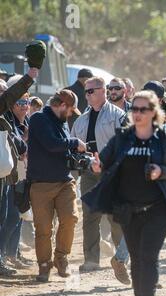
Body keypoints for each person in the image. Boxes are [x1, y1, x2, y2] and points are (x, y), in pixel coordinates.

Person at [83, 90, 166, 296]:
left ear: (153, 112)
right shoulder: (122, 137)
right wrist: (96, 165)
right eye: (134, 109)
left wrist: (162, 171)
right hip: (127, 209)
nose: (138, 113)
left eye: (143, 109)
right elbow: (103, 161)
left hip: (158, 209)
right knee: (136, 258)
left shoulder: (165, 137)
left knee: (149, 256)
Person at [71, 76, 128, 273]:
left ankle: (121, 259)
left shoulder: (118, 115)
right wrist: (83, 161)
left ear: (102, 91)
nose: (86, 95)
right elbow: (73, 146)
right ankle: (91, 260)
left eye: (90, 91)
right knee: (90, 216)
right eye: (85, 91)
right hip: (89, 173)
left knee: (115, 218)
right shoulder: (81, 119)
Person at [27, 90, 83, 282]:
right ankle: (44, 265)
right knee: (43, 229)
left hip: (64, 181)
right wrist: (75, 142)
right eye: (69, 110)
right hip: (41, 184)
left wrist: (79, 157)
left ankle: (61, 257)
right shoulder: (38, 119)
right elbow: (52, 144)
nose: (70, 115)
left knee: (70, 218)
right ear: (62, 105)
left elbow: (62, 149)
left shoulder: (62, 121)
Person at [0, 68, 39, 276]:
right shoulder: (7, 117)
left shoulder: (21, 120)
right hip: (8, 173)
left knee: (14, 215)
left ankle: (10, 253)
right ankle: (5, 255)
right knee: (9, 215)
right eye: (20, 101)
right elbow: (14, 140)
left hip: (12, 173)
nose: (24, 106)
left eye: (26, 102)